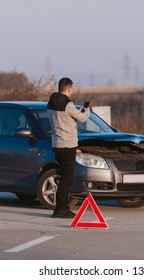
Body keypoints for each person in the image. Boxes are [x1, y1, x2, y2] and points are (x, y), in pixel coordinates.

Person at [47, 77, 90, 218]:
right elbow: (82, 118)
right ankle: (60, 209)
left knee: (64, 176)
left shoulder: (51, 102)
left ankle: (62, 207)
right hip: (68, 144)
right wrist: (87, 111)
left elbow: (66, 116)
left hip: (57, 143)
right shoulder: (67, 104)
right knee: (67, 178)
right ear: (69, 89)